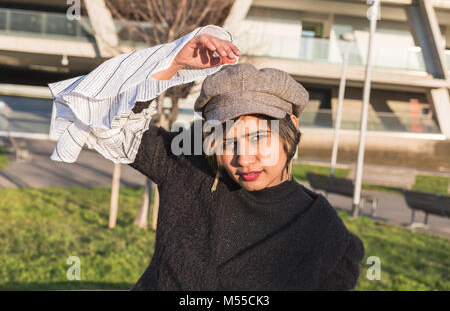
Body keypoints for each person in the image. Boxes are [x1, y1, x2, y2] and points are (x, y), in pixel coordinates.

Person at [48, 25, 365, 291]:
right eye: (228, 140)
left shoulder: (320, 227)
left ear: (291, 128)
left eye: (258, 137)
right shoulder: (186, 167)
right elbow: (109, 127)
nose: (244, 158)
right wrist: (171, 61)